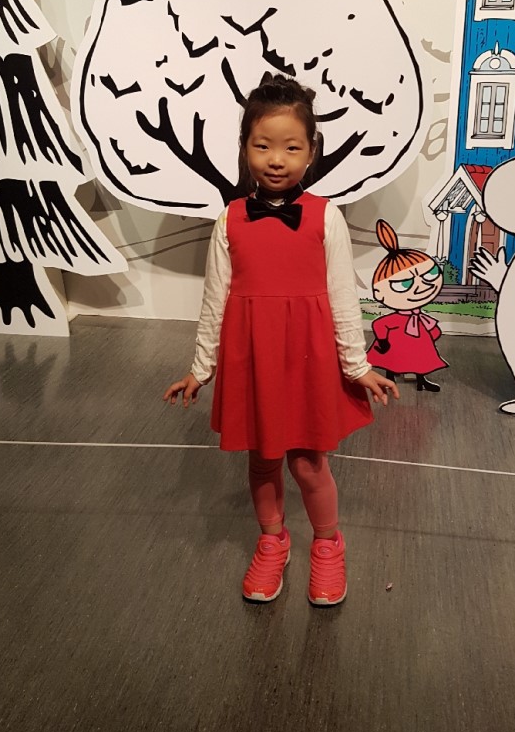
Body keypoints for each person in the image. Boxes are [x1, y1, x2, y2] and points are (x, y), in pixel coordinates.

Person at [164, 73, 398, 606]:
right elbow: (215, 299)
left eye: (291, 147)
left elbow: (342, 296)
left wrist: (356, 365)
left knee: (308, 462)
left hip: (308, 358)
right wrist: (200, 368)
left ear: (311, 151)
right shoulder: (229, 219)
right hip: (254, 357)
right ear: (245, 147)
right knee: (263, 460)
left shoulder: (325, 216)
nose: (276, 160)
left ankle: (328, 545)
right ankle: (273, 541)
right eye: (262, 146)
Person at [367, 219, 448, 392]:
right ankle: (390, 379)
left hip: (418, 344)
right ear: (379, 293)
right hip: (394, 345)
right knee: (391, 360)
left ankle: (421, 381)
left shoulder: (421, 318)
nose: (422, 286)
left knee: (420, 361)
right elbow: (379, 324)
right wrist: (383, 341)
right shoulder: (395, 319)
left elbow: (433, 330)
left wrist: (433, 334)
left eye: (430, 274)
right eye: (404, 284)